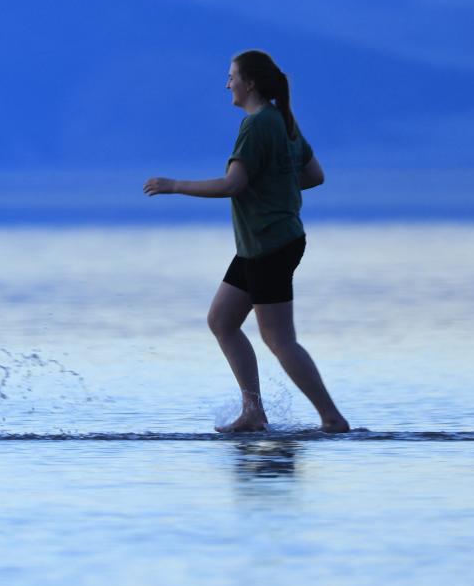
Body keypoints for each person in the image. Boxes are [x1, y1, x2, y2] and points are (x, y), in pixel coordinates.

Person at [143, 50, 350, 434]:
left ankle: (332, 418)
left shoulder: (257, 126)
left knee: (279, 339)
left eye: (231, 76)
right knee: (221, 320)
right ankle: (253, 411)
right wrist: (273, 184)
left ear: (249, 82)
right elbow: (314, 175)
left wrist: (174, 186)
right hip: (263, 243)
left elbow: (233, 185)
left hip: (270, 243)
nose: (227, 84)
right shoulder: (282, 120)